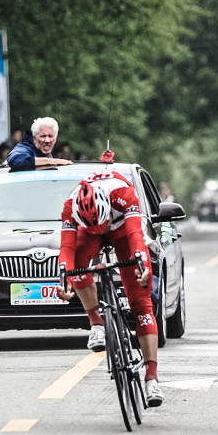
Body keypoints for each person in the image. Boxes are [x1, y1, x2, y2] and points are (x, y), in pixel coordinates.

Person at [55, 168, 165, 406]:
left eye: (100, 224)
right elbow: (66, 250)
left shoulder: (123, 194)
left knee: (141, 304)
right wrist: (63, 281)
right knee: (79, 261)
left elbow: (136, 235)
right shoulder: (70, 207)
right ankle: (96, 322)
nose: (99, 230)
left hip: (122, 228)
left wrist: (143, 268)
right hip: (89, 229)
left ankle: (152, 379)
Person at [7, 117, 72, 170]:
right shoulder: (25, 147)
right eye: (43, 136)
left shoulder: (48, 154)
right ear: (34, 138)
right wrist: (51, 161)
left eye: (50, 136)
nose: (47, 140)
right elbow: (14, 159)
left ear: (55, 139)